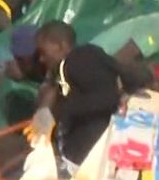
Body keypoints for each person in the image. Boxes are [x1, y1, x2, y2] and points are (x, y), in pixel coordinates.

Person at [32, 21, 123, 168]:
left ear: (60, 46)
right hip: (73, 153)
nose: (41, 59)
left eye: (43, 52)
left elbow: (108, 97)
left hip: (86, 157)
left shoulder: (81, 61)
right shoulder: (62, 74)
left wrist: (66, 109)